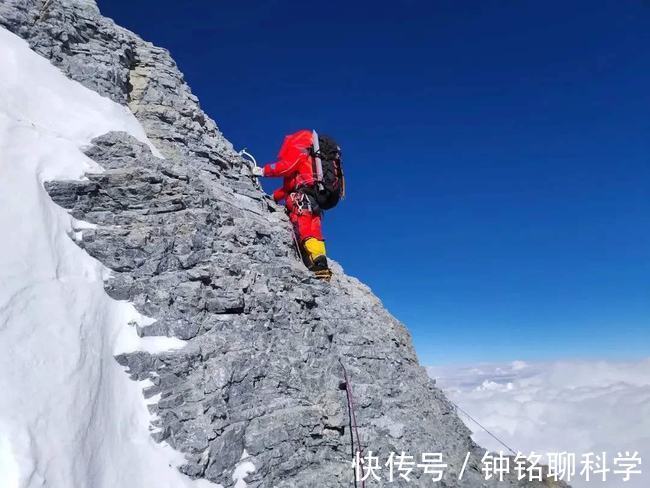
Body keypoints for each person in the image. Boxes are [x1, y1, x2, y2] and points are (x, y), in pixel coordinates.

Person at [251, 129, 344, 281]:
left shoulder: (301, 151)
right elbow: (288, 187)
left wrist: (263, 171)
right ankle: (320, 262)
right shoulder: (313, 160)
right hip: (317, 199)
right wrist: (274, 197)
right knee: (315, 230)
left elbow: (286, 167)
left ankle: (319, 266)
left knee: (304, 228)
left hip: (302, 199)